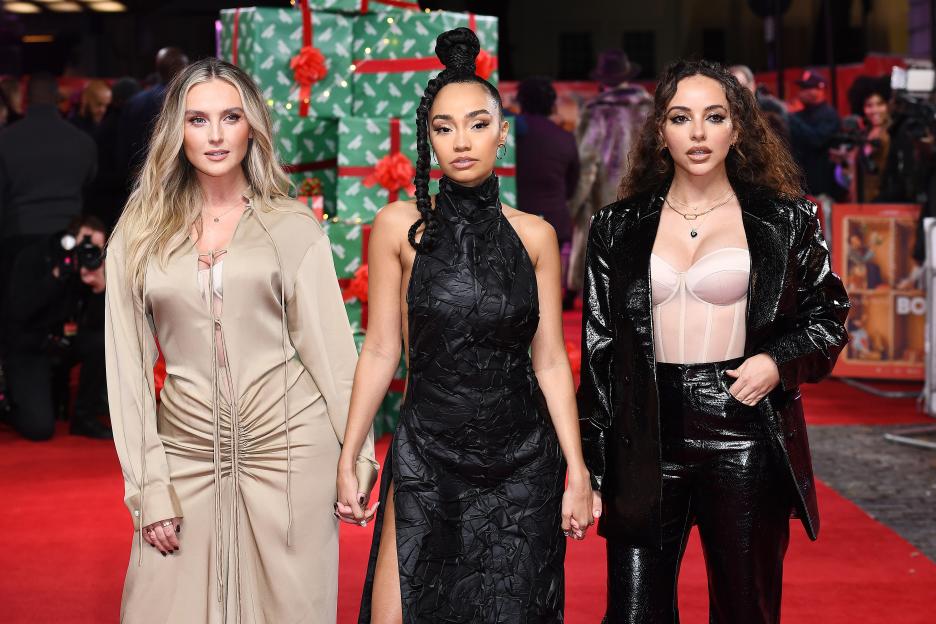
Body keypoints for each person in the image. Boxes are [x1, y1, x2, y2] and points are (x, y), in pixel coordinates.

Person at [335, 28, 597, 623]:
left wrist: (577, 471)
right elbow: (380, 349)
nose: (461, 141)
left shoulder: (534, 235)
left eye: (478, 124)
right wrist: (351, 454)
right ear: (427, 139)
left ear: (503, 134)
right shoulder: (399, 227)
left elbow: (551, 360)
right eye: (443, 127)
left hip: (523, 461)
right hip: (427, 450)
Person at [104, 58, 378, 623]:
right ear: (176, 131)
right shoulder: (138, 232)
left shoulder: (293, 226)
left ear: (251, 125)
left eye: (230, 117)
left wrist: (357, 457)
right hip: (184, 454)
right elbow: (125, 367)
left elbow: (332, 354)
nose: (215, 134)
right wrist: (148, 488)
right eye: (198, 119)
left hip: (291, 453)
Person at [578, 59, 850, 624]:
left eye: (714, 116)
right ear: (660, 130)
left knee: (744, 607)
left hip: (742, 427)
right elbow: (600, 355)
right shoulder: (616, 226)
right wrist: (592, 469)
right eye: (681, 118)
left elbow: (829, 313)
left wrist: (778, 361)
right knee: (632, 615)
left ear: (738, 127)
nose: (698, 133)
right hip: (644, 429)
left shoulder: (787, 219)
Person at [0, 73, 97, 330]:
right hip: (68, 237)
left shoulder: (6, 141)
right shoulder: (82, 141)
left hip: (18, 238)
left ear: (25, 101)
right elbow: (90, 183)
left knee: (20, 318)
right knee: (66, 316)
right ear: (57, 99)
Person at [2, 215, 111, 440]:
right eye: (86, 247)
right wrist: (57, 277)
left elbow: (98, 326)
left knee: (101, 342)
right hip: (29, 347)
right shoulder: (35, 256)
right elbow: (20, 312)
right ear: (70, 241)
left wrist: (100, 289)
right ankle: (6, 406)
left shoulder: (90, 270)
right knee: (39, 429)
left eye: (97, 250)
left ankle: (84, 418)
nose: (90, 254)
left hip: (64, 341)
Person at [567, 50, 651, 306]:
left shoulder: (597, 110)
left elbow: (587, 159)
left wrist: (575, 202)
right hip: (645, 188)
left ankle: (577, 290)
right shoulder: (650, 106)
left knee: (597, 243)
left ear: (603, 80)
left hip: (604, 193)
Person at [515, 75, 580, 309]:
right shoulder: (565, 138)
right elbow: (572, 187)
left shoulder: (508, 133)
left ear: (520, 100)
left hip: (514, 220)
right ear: (552, 104)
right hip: (554, 223)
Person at [117, 47, 189, 182]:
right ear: (183, 68)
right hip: (177, 175)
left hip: (138, 175)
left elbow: (122, 145)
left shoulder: (134, 102)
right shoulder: (188, 101)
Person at [835, 75, 891, 202]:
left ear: (888, 104)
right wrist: (845, 163)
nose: (874, 110)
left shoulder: (892, 132)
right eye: (869, 105)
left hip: (885, 203)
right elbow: (852, 176)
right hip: (862, 202)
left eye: (880, 104)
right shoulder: (865, 133)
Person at [788, 69, 842, 199]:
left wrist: (792, 118)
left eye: (806, 87)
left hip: (822, 188)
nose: (801, 91)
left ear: (820, 89)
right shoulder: (800, 114)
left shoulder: (829, 114)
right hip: (801, 185)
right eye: (801, 87)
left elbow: (816, 139)